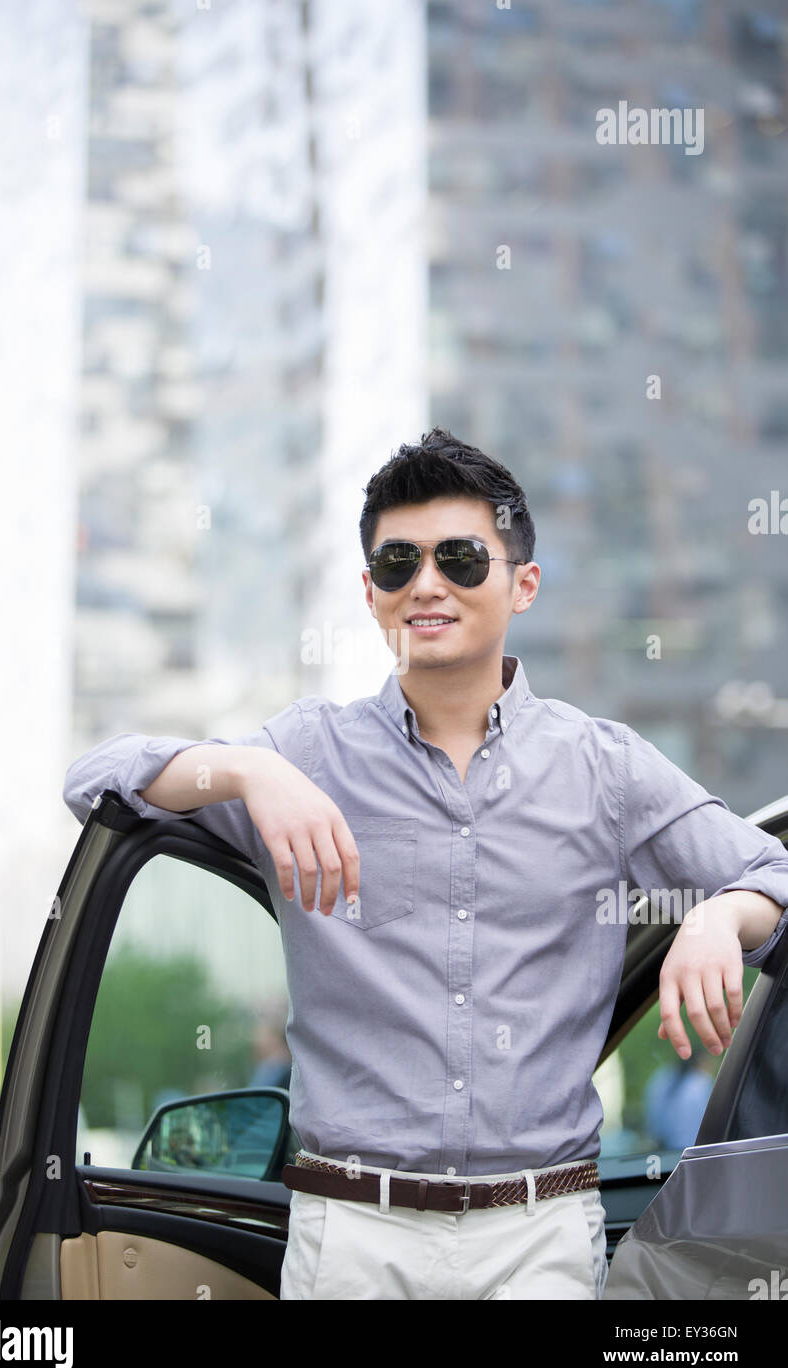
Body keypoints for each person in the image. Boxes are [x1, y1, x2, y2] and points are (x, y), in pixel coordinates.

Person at [63, 427, 788, 1301]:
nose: (427, 583)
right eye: (398, 562)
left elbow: (775, 877)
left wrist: (719, 913)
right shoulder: (306, 754)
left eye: (461, 559)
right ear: (371, 593)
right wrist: (248, 770)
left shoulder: (607, 768)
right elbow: (96, 779)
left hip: (540, 1241)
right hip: (350, 1240)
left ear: (524, 584)